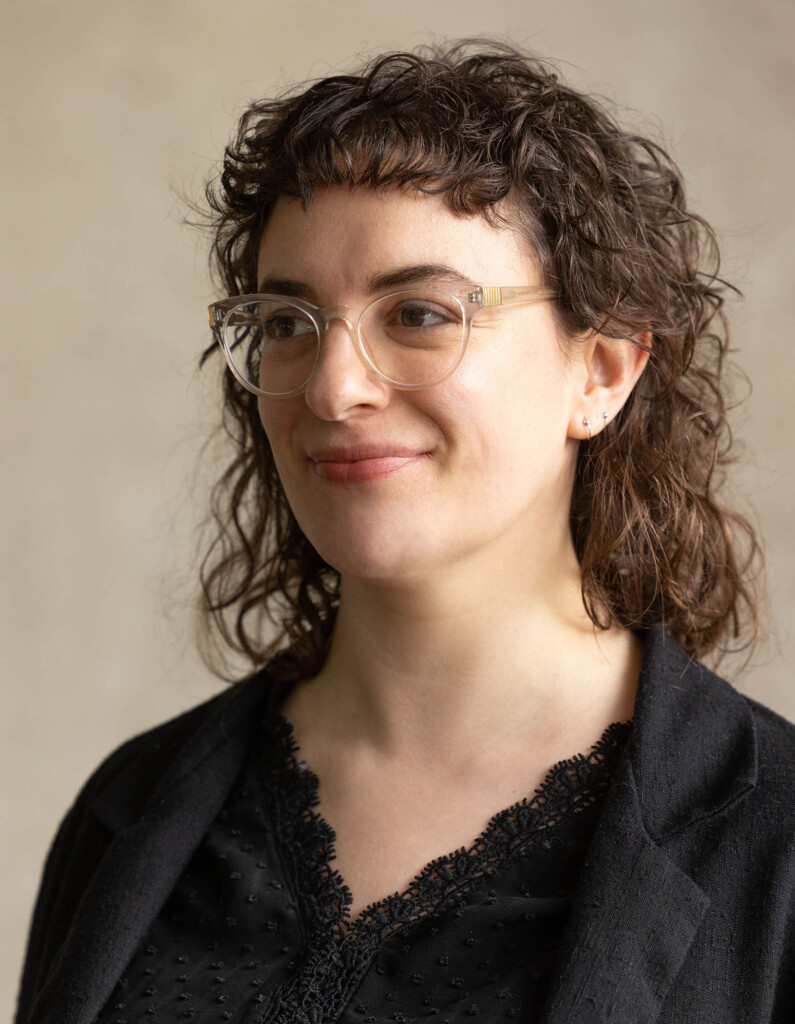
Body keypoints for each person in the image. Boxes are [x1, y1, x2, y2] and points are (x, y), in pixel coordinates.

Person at [15, 40, 795, 1024]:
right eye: (290, 322)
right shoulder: (129, 810)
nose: (333, 388)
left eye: (419, 313)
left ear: (600, 371)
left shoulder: (775, 844)